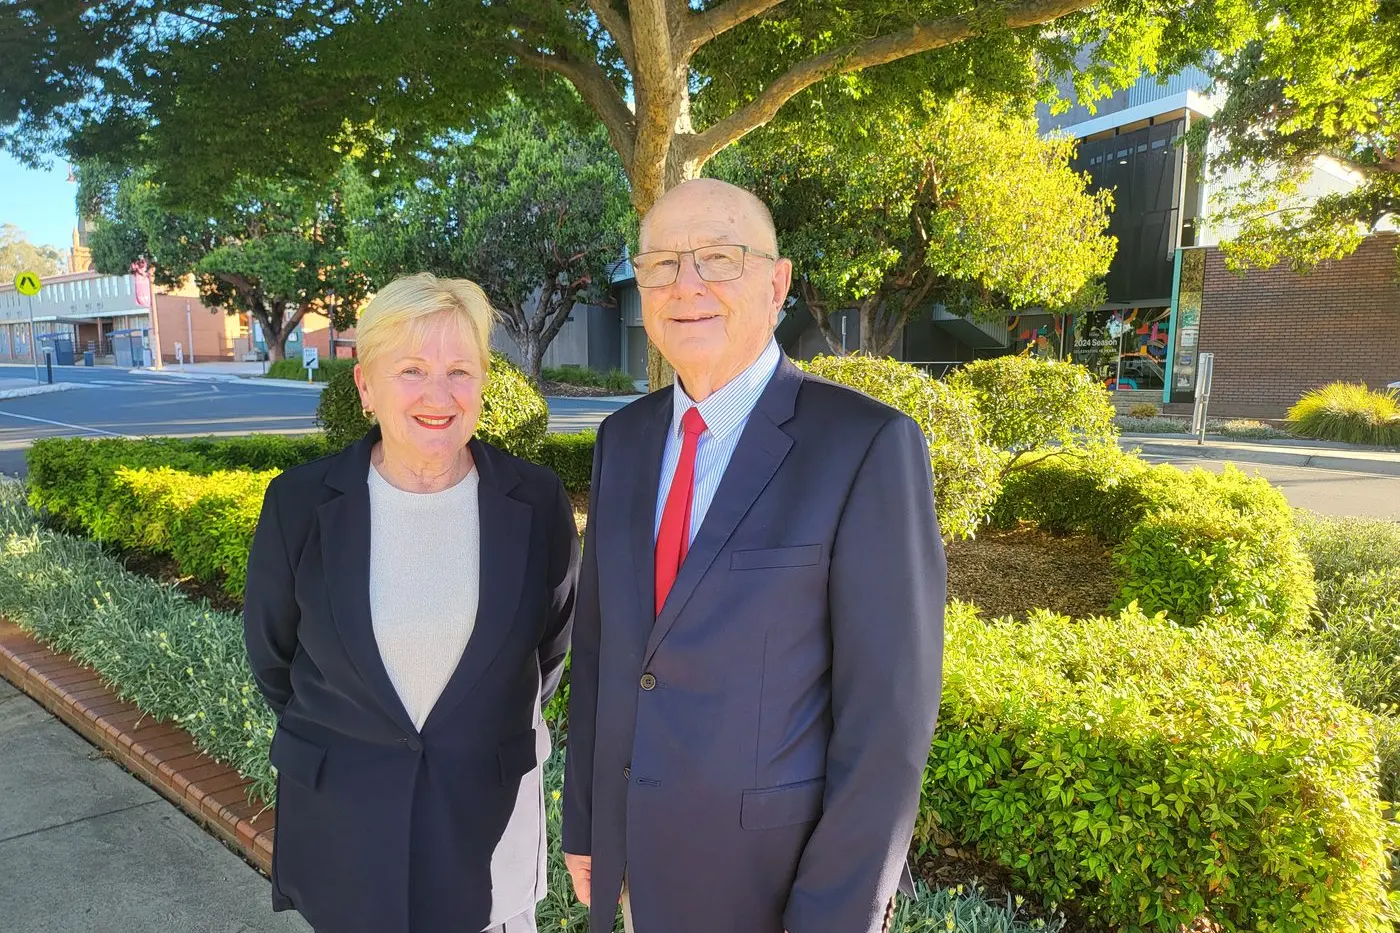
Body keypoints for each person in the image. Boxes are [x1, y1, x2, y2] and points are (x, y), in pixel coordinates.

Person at [561, 179, 946, 933]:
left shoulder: (866, 445)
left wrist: (834, 916)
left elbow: (888, 723)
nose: (687, 285)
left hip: (772, 889)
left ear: (778, 283)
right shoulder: (624, 439)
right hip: (638, 868)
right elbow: (603, 649)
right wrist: (588, 822)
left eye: (719, 257)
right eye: (662, 264)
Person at [244, 272, 579, 933]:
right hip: (346, 831)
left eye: (460, 369)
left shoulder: (536, 502)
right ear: (366, 386)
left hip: (488, 823)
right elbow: (275, 659)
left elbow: (550, 650)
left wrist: (470, 730)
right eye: (412, 370)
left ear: (484, 382)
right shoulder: (300, 503)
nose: (438, 393)